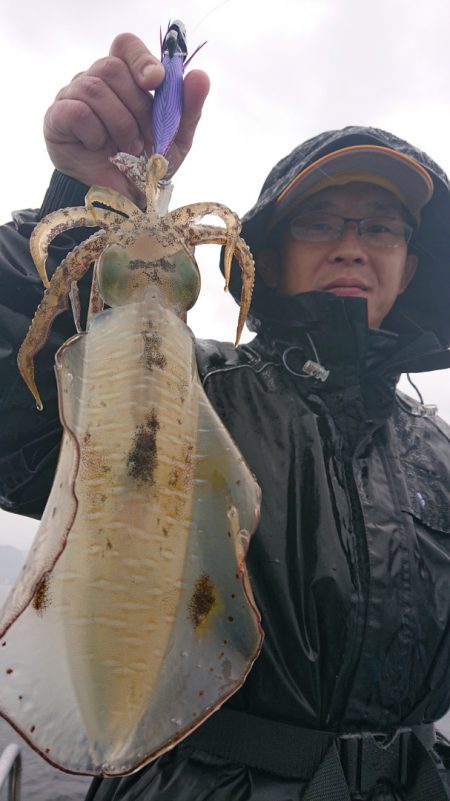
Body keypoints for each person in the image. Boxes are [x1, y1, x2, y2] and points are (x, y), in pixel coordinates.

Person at [1, 33, 450, 801]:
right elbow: (24, 415)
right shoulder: (191, 382)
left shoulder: (436, 452)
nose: (352, 245)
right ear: (262, 257)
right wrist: (82, 203)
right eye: (320, 222)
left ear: (410, 266)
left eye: (380, 226)